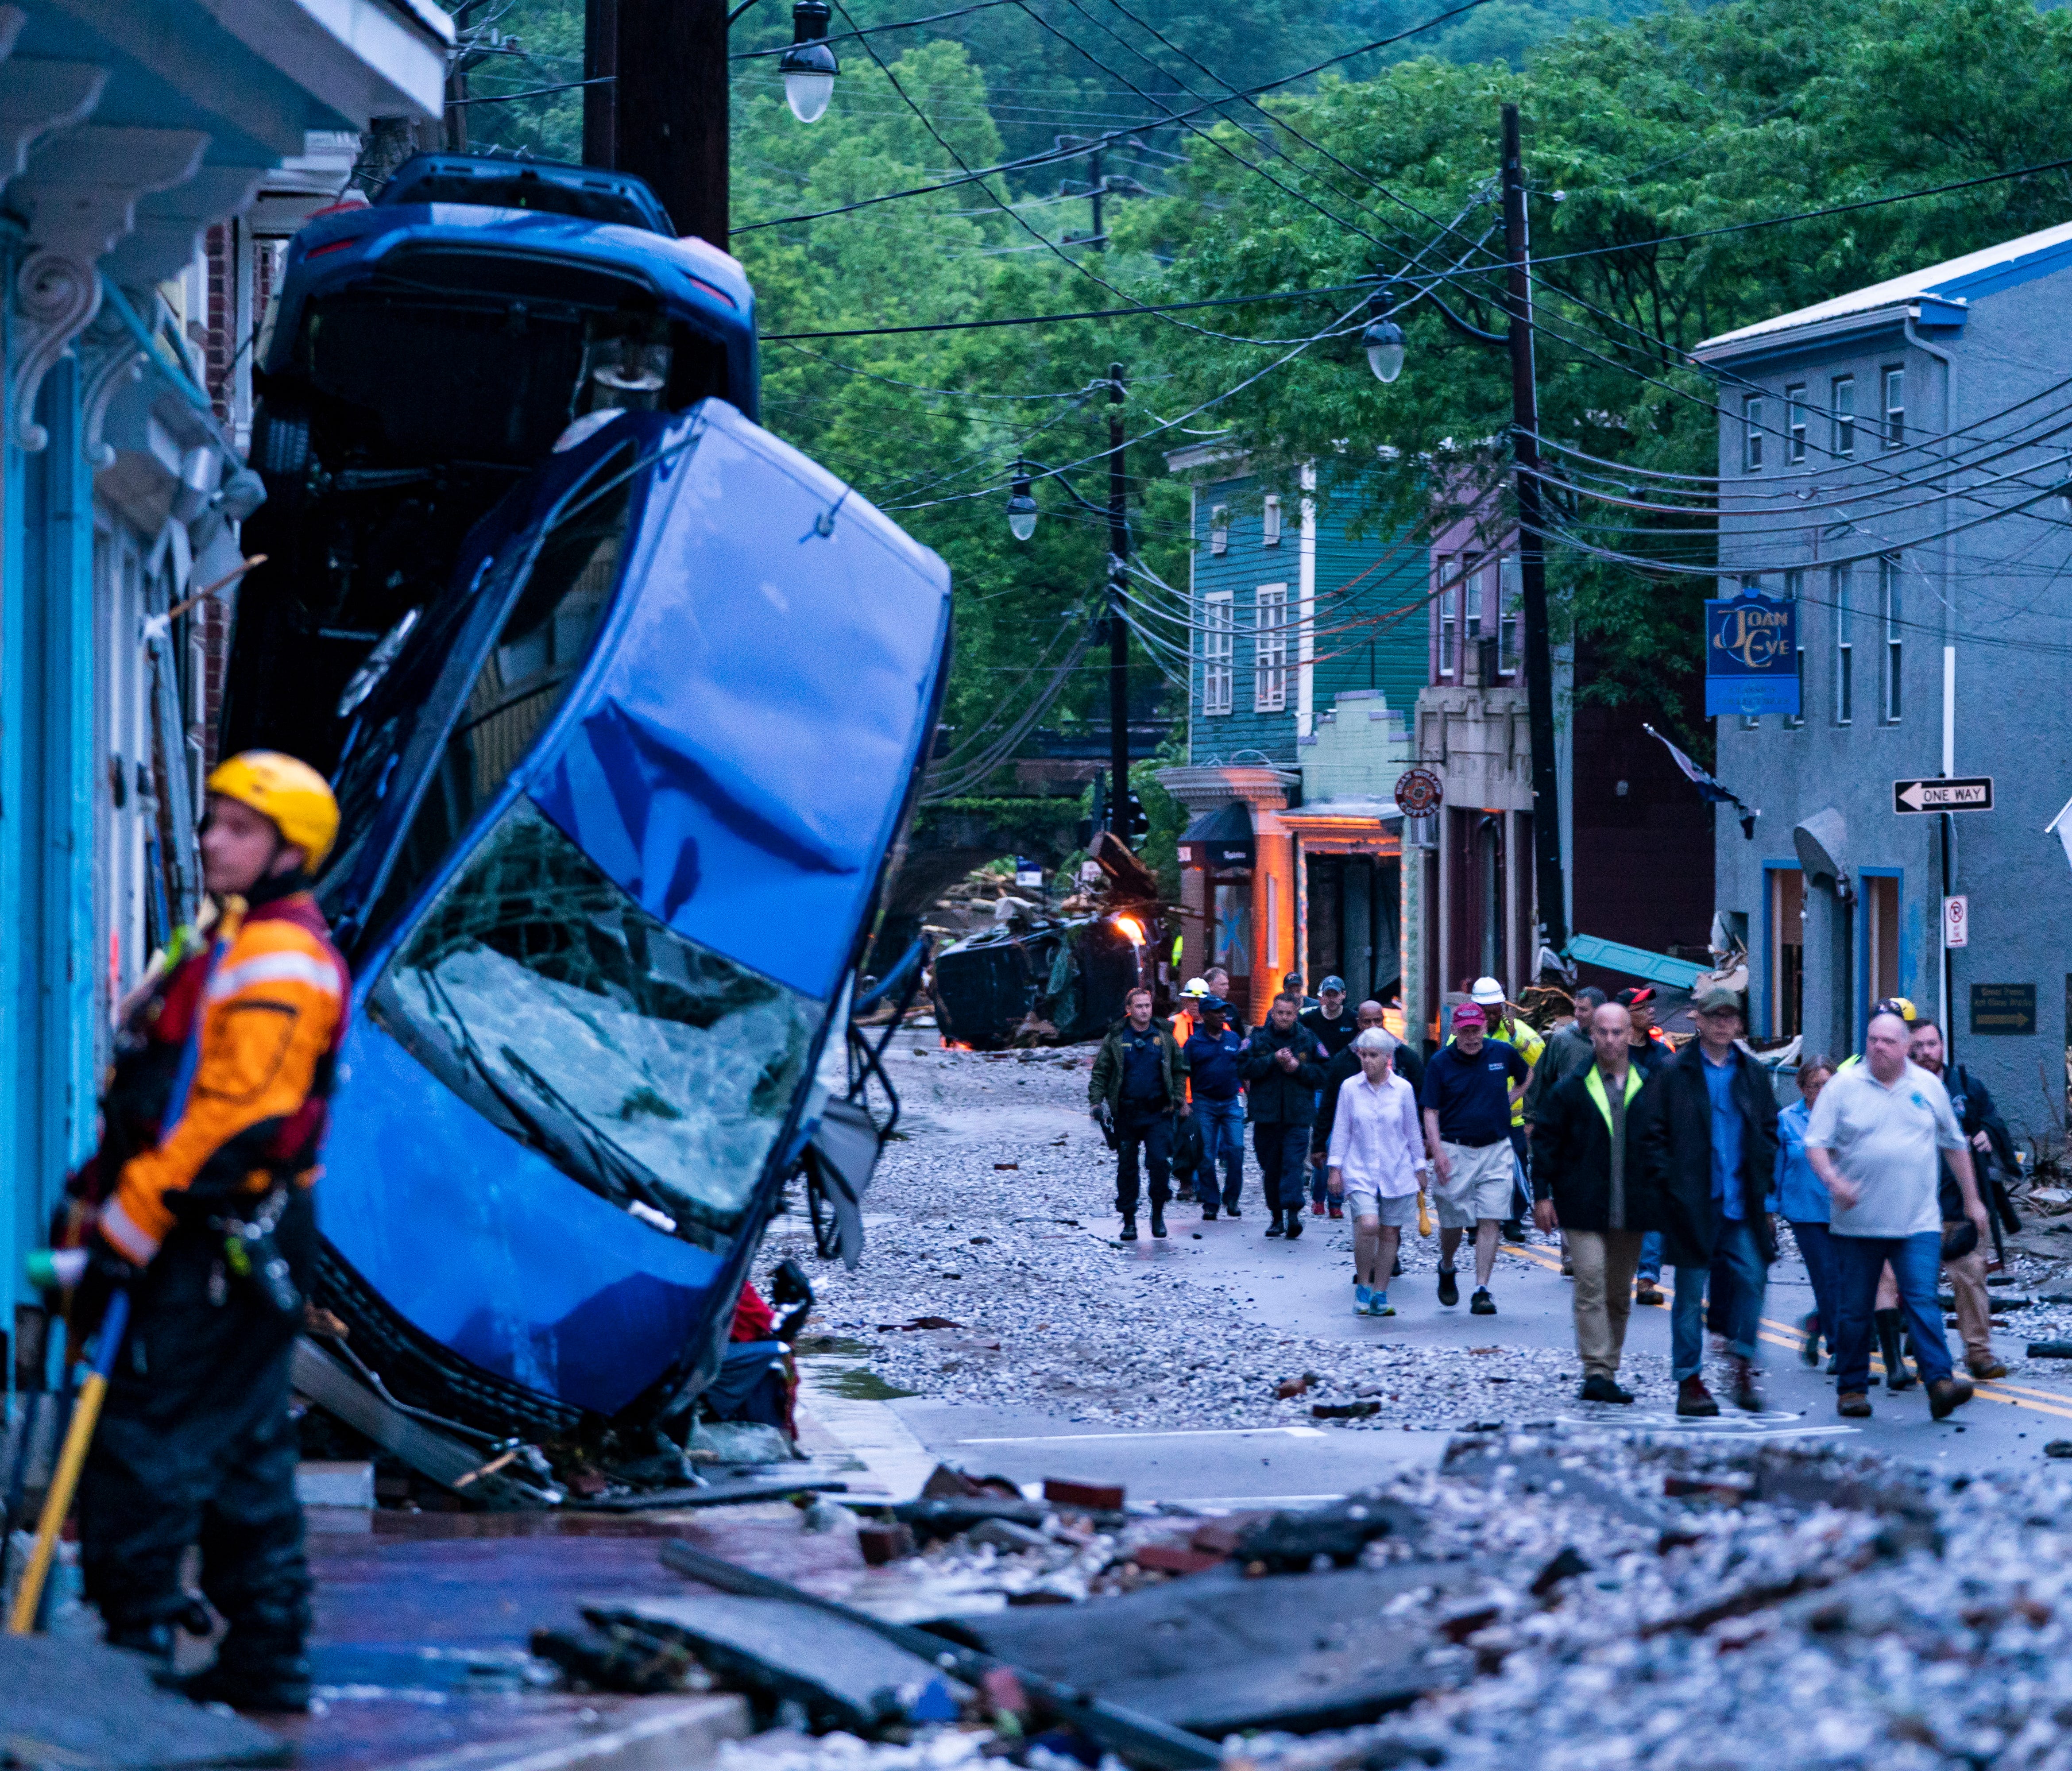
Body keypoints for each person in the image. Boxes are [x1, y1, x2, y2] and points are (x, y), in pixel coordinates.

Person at [72, 752, 348, 1711]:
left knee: (148, 1431)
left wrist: (131, 1223)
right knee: (243, 1442)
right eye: (213, 821)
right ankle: (267, 1652)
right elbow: (166, 1082)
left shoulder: (279, 956)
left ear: (288, 849)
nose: (211, 840)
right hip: (221, 1225)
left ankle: (136, 1643)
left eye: (237, 827)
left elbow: (234, 1119)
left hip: (221, 1227)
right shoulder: (226, 935)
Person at [1806, 1009, 1989, 1421]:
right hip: (1858, 1224)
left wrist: (1973, 1200)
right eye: (1872, 1039)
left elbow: (1954, 1144)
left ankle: (1939, 1382)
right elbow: (1815, 1142)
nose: (1877, 1047)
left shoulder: (1927, 1087)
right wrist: (1834, 1181)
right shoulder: (1844, 1087)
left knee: (1923, 1299)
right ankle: (1852, 1389)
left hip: (1917, 1221)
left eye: (1887, 1041)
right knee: (1855, 1308)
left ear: (1905, 1048)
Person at [1652, 988, 1780, 1416]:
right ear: (1698, 1020)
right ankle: (1689, 1379)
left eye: (1731, 1016)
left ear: (1740, 1023)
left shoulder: (1753, 1073)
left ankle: (1742, 1362)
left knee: (1753, 1277)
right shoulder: (1675, 1072)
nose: (1724, 1023)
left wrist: (1765, 1191)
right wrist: (1668, 1187)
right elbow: (1654, 1134)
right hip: (1693, 1201)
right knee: (1689, 1295)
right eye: (1716, 1016)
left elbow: (1767, 1129)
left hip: (1741, 1201)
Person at [1530, 1002, 1662, 1403]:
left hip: (1632, 1205)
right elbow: (1546, 1145)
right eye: (1602, 1032)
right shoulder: (1571, 1088)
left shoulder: (1648, 1084)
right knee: (1590, 1281)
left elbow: (1665, 1146)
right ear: (1592, 1035)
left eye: (1617, 1032)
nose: (1609, 1039)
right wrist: (1542, 1197)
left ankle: (1610, 1365)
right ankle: (1596, 1371)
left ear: (1630, 1035)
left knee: (1618, 1292)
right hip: (1583, 1205)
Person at [1910, 1020, 2014, 1380]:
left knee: (1970, 1280)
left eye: (1932, 1045)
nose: (1926, 1053)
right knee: (1920, 1288)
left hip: (1964, 1204)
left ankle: (1979, 1354)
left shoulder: (1967, 1088)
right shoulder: (1902, 1089)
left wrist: (1988, 1134)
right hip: (1915, 1206)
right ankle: (1930, 1360)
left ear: (1943, 1046)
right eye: (1919, 1046)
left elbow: (1995, 1120)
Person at [1420, 1002, 1529, 1314]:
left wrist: (1509, 1099)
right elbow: (1430, 1109)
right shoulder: (1441, 1063)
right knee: (1454, 1219)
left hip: (1496, 1148)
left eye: (1476, 1030)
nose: (1471, 1037)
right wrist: (1437, 1150)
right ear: (1454, 1030)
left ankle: (1482, 1289)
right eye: (1465, 1030)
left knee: (1490, 1218)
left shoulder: (1502, 1053)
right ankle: (1448, 1265)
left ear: (1484, 1028)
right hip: (1455, 1149)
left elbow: (1527, 1075)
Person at [1325, 1029, 1429, 1317]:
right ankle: (1364, 1282)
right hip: (1359, 1171)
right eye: (1364, 1055)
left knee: (1390, 1231)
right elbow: (1342, 1130)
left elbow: (1412, 1132)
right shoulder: (1349, 1088)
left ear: (1387, 1058)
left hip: (1397, 1170)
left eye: (1373, 1056)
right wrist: (1335, 1169)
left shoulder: (1404, 1090)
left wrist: (1420, 1167)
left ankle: (1380, 1293)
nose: (1367, 1061)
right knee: (1369, 1224)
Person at [1089, 985, 1188, 1241]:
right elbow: (1101, 1071)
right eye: (1139, 1006)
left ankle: (1158, 1215)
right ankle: (1129, 1220)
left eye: (1148, 1005)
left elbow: (1180, 1068)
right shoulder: (1116, 1037)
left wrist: (1178, 1098)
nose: (1145, 1011)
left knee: (1158, 1164)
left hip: (1158, 1113)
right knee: (1127, 1168)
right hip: (1127, 1113)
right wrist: (1096, 1103)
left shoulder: (1165, 1037)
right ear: (1129, 1010)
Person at [1240, 993, 1327, 1238]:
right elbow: (1242, 1067)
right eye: (1281, 1013)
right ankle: (1276, 1217)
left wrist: (1298, 1069)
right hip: (1266, 1116)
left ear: (1296, 1013)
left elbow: (1324, 1073)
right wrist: (1272, 1061)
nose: (1285, 1018)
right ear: (1273, 1012)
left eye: (1290, 1013)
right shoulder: (1258, 1038)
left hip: (1298, 1116)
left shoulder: (1308, 1039)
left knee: (1293, 1164)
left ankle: (1293, 1215)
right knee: (1271, 1166)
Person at [1776, 1056, 1840, 1372]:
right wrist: (1769, 1212)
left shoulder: (1847, 1118)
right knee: (1827, 1278)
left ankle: (1816, 1322)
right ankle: (1839, 1346)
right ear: (1802, 1087)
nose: (1822, 1092)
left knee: (1847, 1280)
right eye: (1816, 1086)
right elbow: (1775, 1169)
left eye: (1828, 1085)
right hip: (1805, 1213)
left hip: (1844, 1210)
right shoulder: (1787, 1120)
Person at [1468, 977, 1544, 1237]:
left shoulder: (1517, 1030)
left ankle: (1513, 1220)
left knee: (1518, 1169)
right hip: (1477, 1120)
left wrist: (1515, 1037)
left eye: (1495, 1010)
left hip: (1513, 1121)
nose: (1491, 1016)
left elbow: (1540, 1057)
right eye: (1486, 1011)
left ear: (1503, 1008)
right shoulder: (1464, 1033)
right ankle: (1477, 1222)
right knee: (1476, 1171)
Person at [1617, 987, 1677, 1303]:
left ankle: (1647, 1279)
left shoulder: (1663, 1053)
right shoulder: (1611, 1054)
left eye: (1650, 1005)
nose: (1650, 1011)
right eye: (1641, 1007)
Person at [1182, 995, 1247, 1219]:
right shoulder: (1194, 1043)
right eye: (1217, 1012)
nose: (1222, 1015)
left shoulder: (1234, 1038)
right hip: (1204, 1103)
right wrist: (1183, 1103)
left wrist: (1251, 1097)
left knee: (1237, 1149)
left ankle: (1232, 1198)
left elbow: (1244, 1070)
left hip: (1231, 1102)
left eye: (1224, 1012)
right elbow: (1182, 1074)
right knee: (1206, 1155)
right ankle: (1211, 1201)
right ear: (1205, 1015)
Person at [1301, 977, 1359, 1216]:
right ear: (1321, 996)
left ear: (1343, 995)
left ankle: (1335, 1202)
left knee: (1341, 1143)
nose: (1332, 999)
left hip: (1347, 1089)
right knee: (1323, 1141)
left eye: (1337, 994)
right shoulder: (1310, 1020)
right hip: (1319, 1088)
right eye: (1328, 994)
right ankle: (1319, 1199)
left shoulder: (1353, 1020)